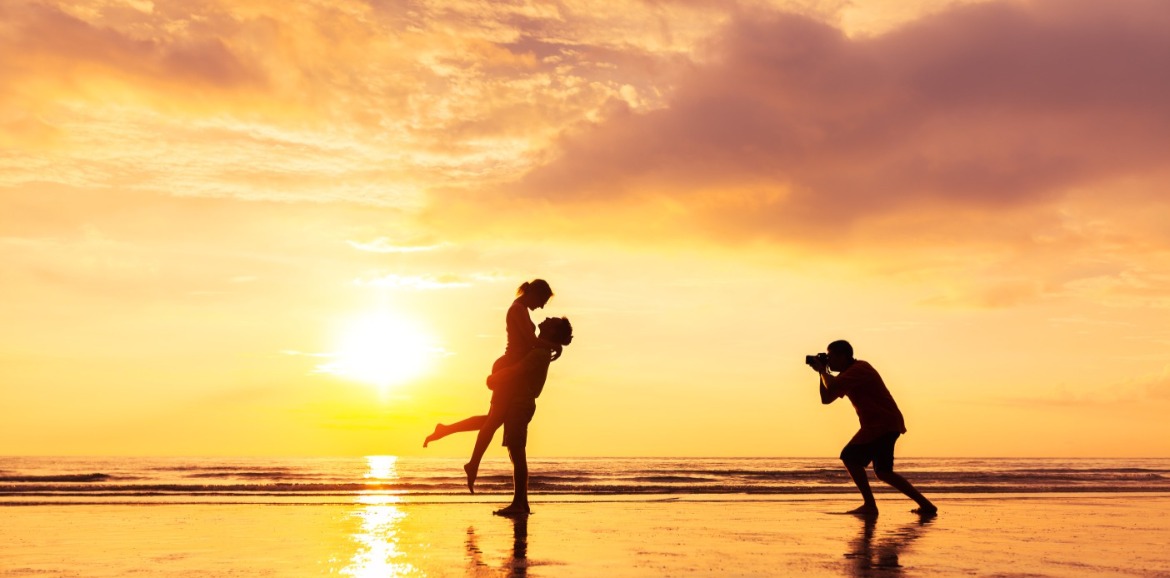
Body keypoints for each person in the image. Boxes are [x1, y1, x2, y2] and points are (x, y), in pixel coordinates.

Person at [423, 279, 558, 450]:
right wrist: (555, 346)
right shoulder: (517, 309)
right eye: (542, 301)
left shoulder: (522, 309)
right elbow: (531, 341)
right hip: (507, 365)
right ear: (534, 294)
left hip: (509, 366)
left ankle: (447, 430)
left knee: (493, 418)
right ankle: (472, 462)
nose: (542, 307)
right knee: (493, 420)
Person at [808, 340, 937, 516]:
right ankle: (926, 506)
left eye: (830, 357)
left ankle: (870, 505)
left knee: (849, 456)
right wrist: (820, 374)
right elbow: (826, 399)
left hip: (881, 424)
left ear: (843, 356)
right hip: (884, 423)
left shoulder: (860, 369)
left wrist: (823, 371)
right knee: (883, 472)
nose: (828, 361)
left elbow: (832, 386)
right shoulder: (847, 374)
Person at [486, 316, 573, 516]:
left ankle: (519, 504)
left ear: (552, 331)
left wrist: (494, 378)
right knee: (515, 452)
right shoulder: (540, 349)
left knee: (517, 453)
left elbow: (518, 370)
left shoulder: (540, 352)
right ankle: (521, 503)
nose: (547, 318)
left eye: (552, 321)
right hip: (519, 403)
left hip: (520, 404)